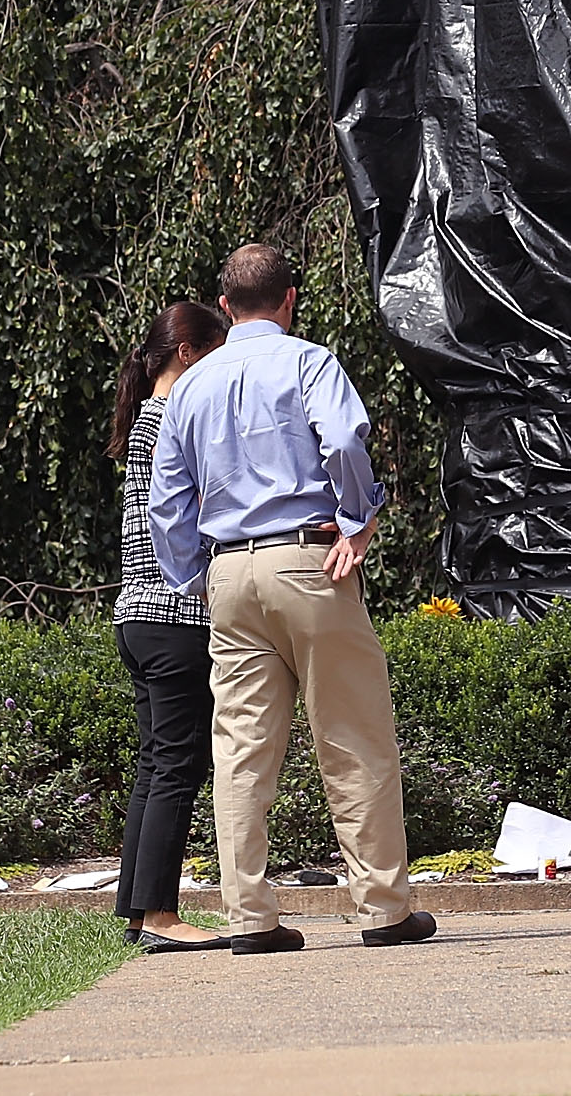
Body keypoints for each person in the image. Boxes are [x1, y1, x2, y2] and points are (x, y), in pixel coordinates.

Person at [146, 242, 433, 952]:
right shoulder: (309, 361)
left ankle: (251, 918)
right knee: (353, 735)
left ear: (224, 306)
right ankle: (383, 909)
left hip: (228, 574)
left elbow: (166, 500)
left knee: (241, 751)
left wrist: (195, 578)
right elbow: (342, 438)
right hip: (311, 562)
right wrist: (359, 517)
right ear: (289, 299)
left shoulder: (190, 386)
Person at [108, 298, 230, 950]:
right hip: (175, 614)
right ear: (188, 353)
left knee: (157, 765)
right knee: (178, 767)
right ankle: (159, 915)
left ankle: (137, 911)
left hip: (137, 615)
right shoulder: (172, 419)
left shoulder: (143, 423)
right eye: (215, 356)